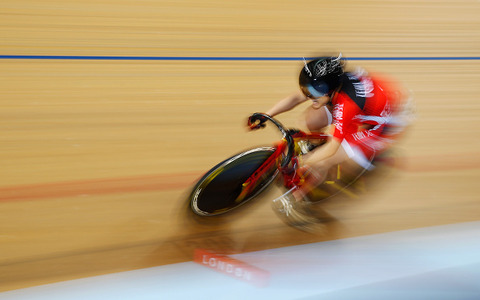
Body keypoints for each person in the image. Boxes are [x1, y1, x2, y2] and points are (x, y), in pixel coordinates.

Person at [247, 54, 411, 203]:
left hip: (385, 125)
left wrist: (303, 162)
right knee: (311, 119)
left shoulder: (346, 105)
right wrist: (266, 114)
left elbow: (332, 149)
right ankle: (319, 151)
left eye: (313, 91)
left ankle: (322, 181)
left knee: (325, 159)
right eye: (308, 89)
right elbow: (297, 97)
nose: (309, 95)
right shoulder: (328, 85)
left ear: (330, 89)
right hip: (370, 103)